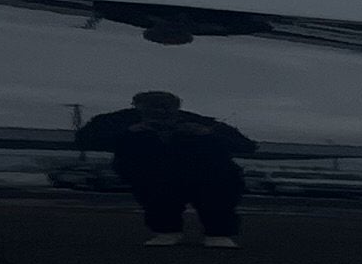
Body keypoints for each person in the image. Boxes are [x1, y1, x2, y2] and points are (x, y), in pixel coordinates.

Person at [74, 89, 254, 245]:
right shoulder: (114, 120)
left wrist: (208, 134)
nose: (160, 111)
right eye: (152, 107)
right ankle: (167, 231)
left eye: (166, 107)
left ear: (177, 107)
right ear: (137, 106)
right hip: (148, 172)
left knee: (217, 196)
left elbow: (246, 146)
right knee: (156, 197)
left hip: (206, 173)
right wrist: (128, 132)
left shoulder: (202, 122)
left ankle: (218, 233)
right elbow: (84, 140)